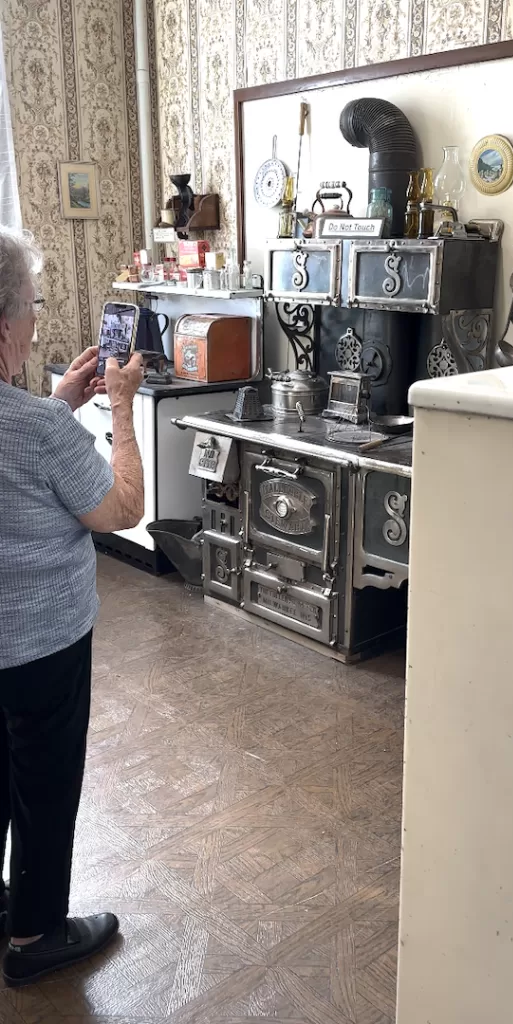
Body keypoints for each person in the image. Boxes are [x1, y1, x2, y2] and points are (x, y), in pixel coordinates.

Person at [0, 226, 145, 986]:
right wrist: (119, 406)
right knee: (45, 781)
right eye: (32, 304)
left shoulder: (36, 420)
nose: (35, 319)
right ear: (6, 325)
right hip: (38, 647)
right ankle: (35, 939)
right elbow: (121, 508)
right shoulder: (36, 429)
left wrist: (58, 403)